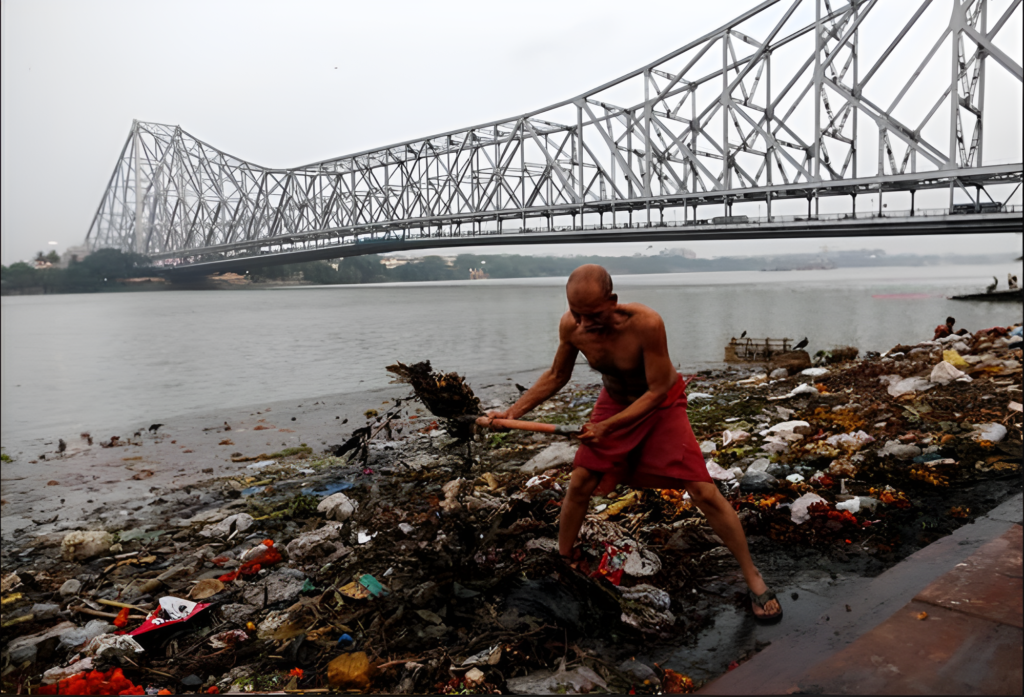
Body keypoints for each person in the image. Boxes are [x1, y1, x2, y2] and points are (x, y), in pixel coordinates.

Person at [486, 265, 783, 622]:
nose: (585, 323)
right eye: (578, 314)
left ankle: (753, 576)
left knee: (702, 490)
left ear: (613, 301)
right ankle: (562, 562)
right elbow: (557, 375)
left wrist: (606, 428)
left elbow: (658, 390)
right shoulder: (573, 326)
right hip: (614, 401)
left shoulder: (646, 323)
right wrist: (512, 411)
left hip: (660, 404)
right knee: (580, 480)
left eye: (594, 315)